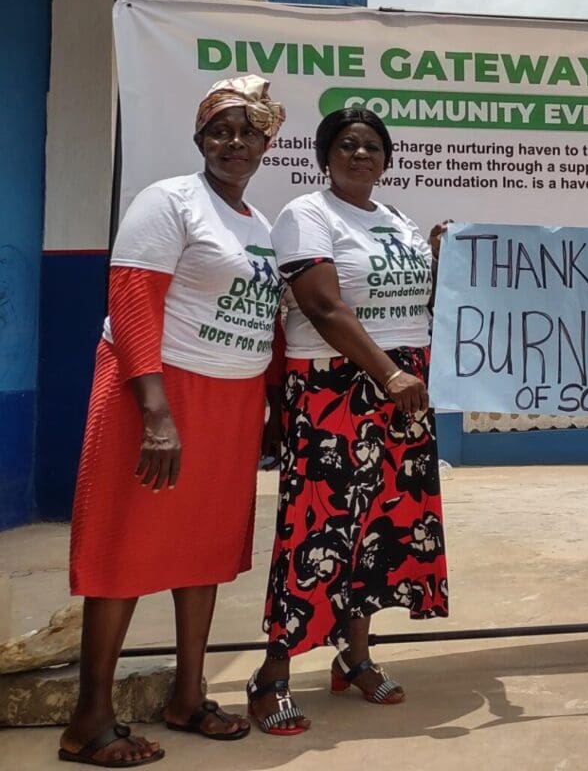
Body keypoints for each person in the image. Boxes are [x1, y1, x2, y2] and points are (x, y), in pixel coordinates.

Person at [62, 76, 287, 765]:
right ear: (199, 139)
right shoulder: (169, 201)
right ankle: (89, 719)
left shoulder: (260, 227)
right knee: (122, 548)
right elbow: (132, 299)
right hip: (156, 396)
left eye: (249, 131)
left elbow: (267, 325)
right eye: (220, 129)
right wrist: (156, 415)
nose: (235, 142)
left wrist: (271, 408)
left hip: (231, 403)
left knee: (206, 551)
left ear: (266, 144)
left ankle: (189, 695)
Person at [247, 107, 449, 736]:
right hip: (338, 386)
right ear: (325, 156)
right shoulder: (306, 215)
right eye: (346, 144)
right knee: (318, 531)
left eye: (371, 146)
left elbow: (417, 304)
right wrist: (386, 373)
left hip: (403, 386)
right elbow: (323, 305)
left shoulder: (397, 221)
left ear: (386, 159)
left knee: (380, 529)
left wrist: (441, 259)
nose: (360, 155)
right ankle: (271, 676)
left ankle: (353, 657)